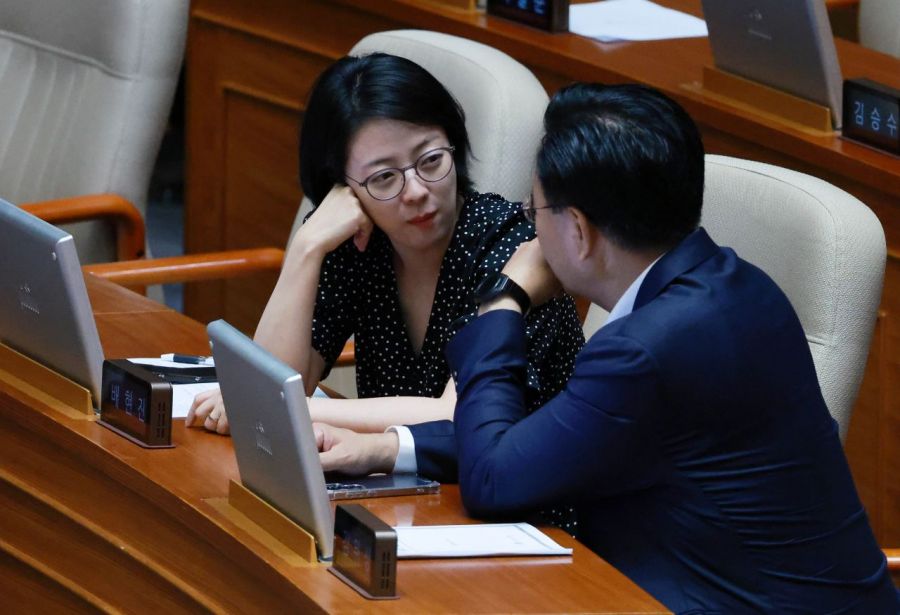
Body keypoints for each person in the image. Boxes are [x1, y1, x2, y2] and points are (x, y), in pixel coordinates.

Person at [318, 82, 900, 613]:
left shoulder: (647, 349)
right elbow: (559, 439)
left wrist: (504, 301)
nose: (530, 228)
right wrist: (384, 449)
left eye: (535, 210)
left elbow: (495, 479)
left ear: (578, 230)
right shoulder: (736, 286)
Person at [186, 53, 584, 476]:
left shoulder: (512, 244)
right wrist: (306, 248)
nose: (415, 191)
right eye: (384, 178)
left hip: (527, 504)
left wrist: (292, 410)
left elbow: (461, 416)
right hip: (399, 489)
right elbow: (274, 383)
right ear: (345, 188)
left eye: (431, 160)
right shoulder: (353, 243)